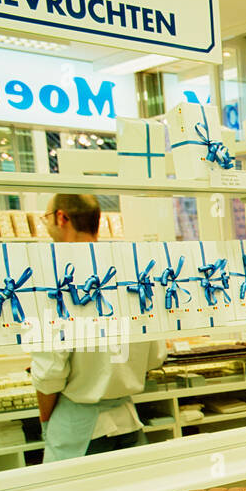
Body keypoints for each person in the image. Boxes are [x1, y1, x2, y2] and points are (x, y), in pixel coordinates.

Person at [32, 193, 166, 463]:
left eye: (46, 218)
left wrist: (47, 422)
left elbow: (49, 376)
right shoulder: (131, 274)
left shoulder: (55, 282)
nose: (46, 226)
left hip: (79, 433)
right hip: (128, 425)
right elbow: (155, 356)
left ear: (61, 217)